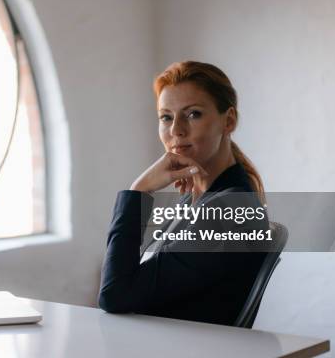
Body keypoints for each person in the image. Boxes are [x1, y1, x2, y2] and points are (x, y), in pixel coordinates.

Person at [98, 61, 269, 326]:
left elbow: (115, 296)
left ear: (229, 121)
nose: (176, 130)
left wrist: (138, 191)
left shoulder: (229, 212)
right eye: (166, 117)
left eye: (193, 114)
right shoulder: (200, 200)